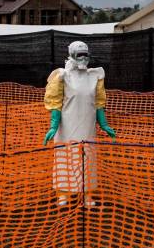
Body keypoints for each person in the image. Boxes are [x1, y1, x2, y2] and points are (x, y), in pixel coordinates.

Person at [43, 41, 116, 206]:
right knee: (65, 156)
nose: (83, 58)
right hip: (67, 126)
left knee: (87, 158)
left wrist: (103, 124)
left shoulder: (94, 76)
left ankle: (87, 194)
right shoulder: (63, 76)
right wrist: (54, 125)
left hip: (87, 126)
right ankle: (63, 193)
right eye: (79, 54)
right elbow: (55, 102)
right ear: (72, 55)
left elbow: (98, 102)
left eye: (86, 54)